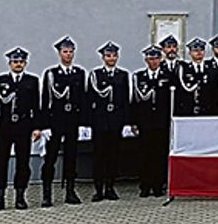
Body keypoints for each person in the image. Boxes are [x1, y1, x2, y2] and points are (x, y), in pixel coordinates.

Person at [0, 49, 41, 212]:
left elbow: (36, 106)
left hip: (24, 126)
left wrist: (37, 127)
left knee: (23, 163)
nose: (18, 64)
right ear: (10, 64)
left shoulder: (32, 81)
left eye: (21, 62)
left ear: (25, 64)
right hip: (5, 126)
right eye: (15, 62)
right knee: (1, 162)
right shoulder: (0, 81)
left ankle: (20, 197)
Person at [39, 35, 86, 207]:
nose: (68, 55)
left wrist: (83, 123)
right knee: (50, 159)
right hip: (55, 121)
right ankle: (47, 193)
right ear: (59, 53)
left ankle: (70, 192)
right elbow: (45, 100)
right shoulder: (51, 74)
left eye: (71, 52)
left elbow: (82, 100)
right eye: (65, 52)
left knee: (71, 158)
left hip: (72, 121)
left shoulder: (79, 73)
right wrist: (44, 126)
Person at [88, 42, 131, 202]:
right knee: (99, 156)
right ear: (103, 57)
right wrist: (86, 123)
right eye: (108, 55)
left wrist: (127, 122)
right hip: (99, 122)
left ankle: (110, 187)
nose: (111, 58)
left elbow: (126, 99)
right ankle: (98, 189)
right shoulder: (96, 75)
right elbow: (90, 99)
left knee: (113, 156)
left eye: (114, 55)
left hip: (116, 122)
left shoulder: (123, 75)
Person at [131, 45, 174, 198]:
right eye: (150, 58)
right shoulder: (139, 76)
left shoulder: (168, 76)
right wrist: (134, 122)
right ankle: (145, 185)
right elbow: (135, 101)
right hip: (145, 122)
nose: (154, 61)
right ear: (146, 60)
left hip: (161, 122)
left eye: (156, 58)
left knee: (160, 154)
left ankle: (158, 185)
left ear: (160, 59)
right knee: (144, 154)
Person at [174, 37, 211, 117]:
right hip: (187, 110)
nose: (199, 53)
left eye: (201, 50)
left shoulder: (211, 68)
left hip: (207, 110)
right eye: (195, 51)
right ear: (190, 53)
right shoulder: (184, 69)